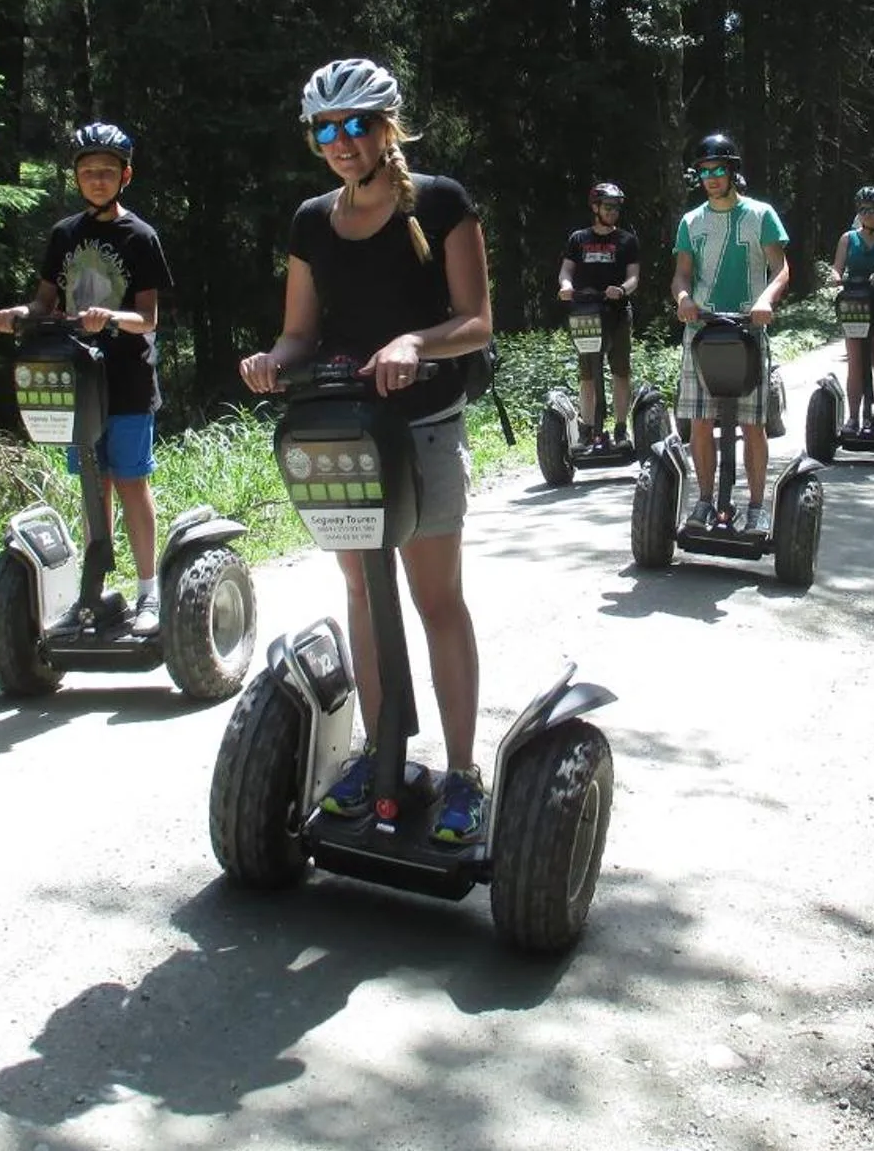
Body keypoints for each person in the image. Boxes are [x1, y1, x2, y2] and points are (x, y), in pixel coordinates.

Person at [238, 58, 495, 845]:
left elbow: (478, 320)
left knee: (433, 598)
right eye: (327, 130)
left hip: (420, 426)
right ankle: (378, 756)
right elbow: (299, 331)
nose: (342, 143)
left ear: (390, 128)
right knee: (361, 592)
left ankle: (460, 774)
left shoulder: (442, 203)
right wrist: (272, 364)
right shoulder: (313, 220)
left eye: (357, 127)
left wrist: (416, 340)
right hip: (342, 429)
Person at [0, 121, 172, 633]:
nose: (97, 179)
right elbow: (44, 301)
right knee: (95, 484)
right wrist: (18, 313)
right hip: (78, 381)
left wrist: (110, 318)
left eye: (107, 171)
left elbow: (149, 319)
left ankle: (148, 592)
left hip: (129, 380)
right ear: (76, 177)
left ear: (125, 176)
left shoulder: (140, 237)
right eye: (88, 171)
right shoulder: (65, 234)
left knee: (131, 481)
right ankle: (95, 588)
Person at [669, 133, 791, 534]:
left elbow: (782, 269)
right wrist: (684, 298)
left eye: (719, 169)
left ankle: (757, 509)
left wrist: (766, 301)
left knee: (751, 422)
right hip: (703, 331)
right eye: (704, 171)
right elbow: (681, 275)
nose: (712, 177)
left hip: (747, 329)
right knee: (701, 421)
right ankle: (704, 502)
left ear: (733, 171)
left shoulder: (761, 215)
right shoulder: (691, 221)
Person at [557, 181, 641, 443]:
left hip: (616, 312)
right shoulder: (579, 239)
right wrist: (566, 286)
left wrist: (622, 290)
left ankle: (620, 427)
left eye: (616, 207)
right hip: (585, 312)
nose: (613, 211)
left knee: (620, 371)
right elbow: (567, 270)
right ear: (595, 208)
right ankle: (588, 429)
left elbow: (634, 277)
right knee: (588, 373)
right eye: (608, 206)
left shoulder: (627, 240)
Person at [832, 186, 874, 437]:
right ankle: (852, 418)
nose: (866, 214)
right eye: (862, 210)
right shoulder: (848, 238)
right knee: (856, 361)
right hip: (856, 303)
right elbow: (837, 268)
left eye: (871, 210)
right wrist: (835, 278)